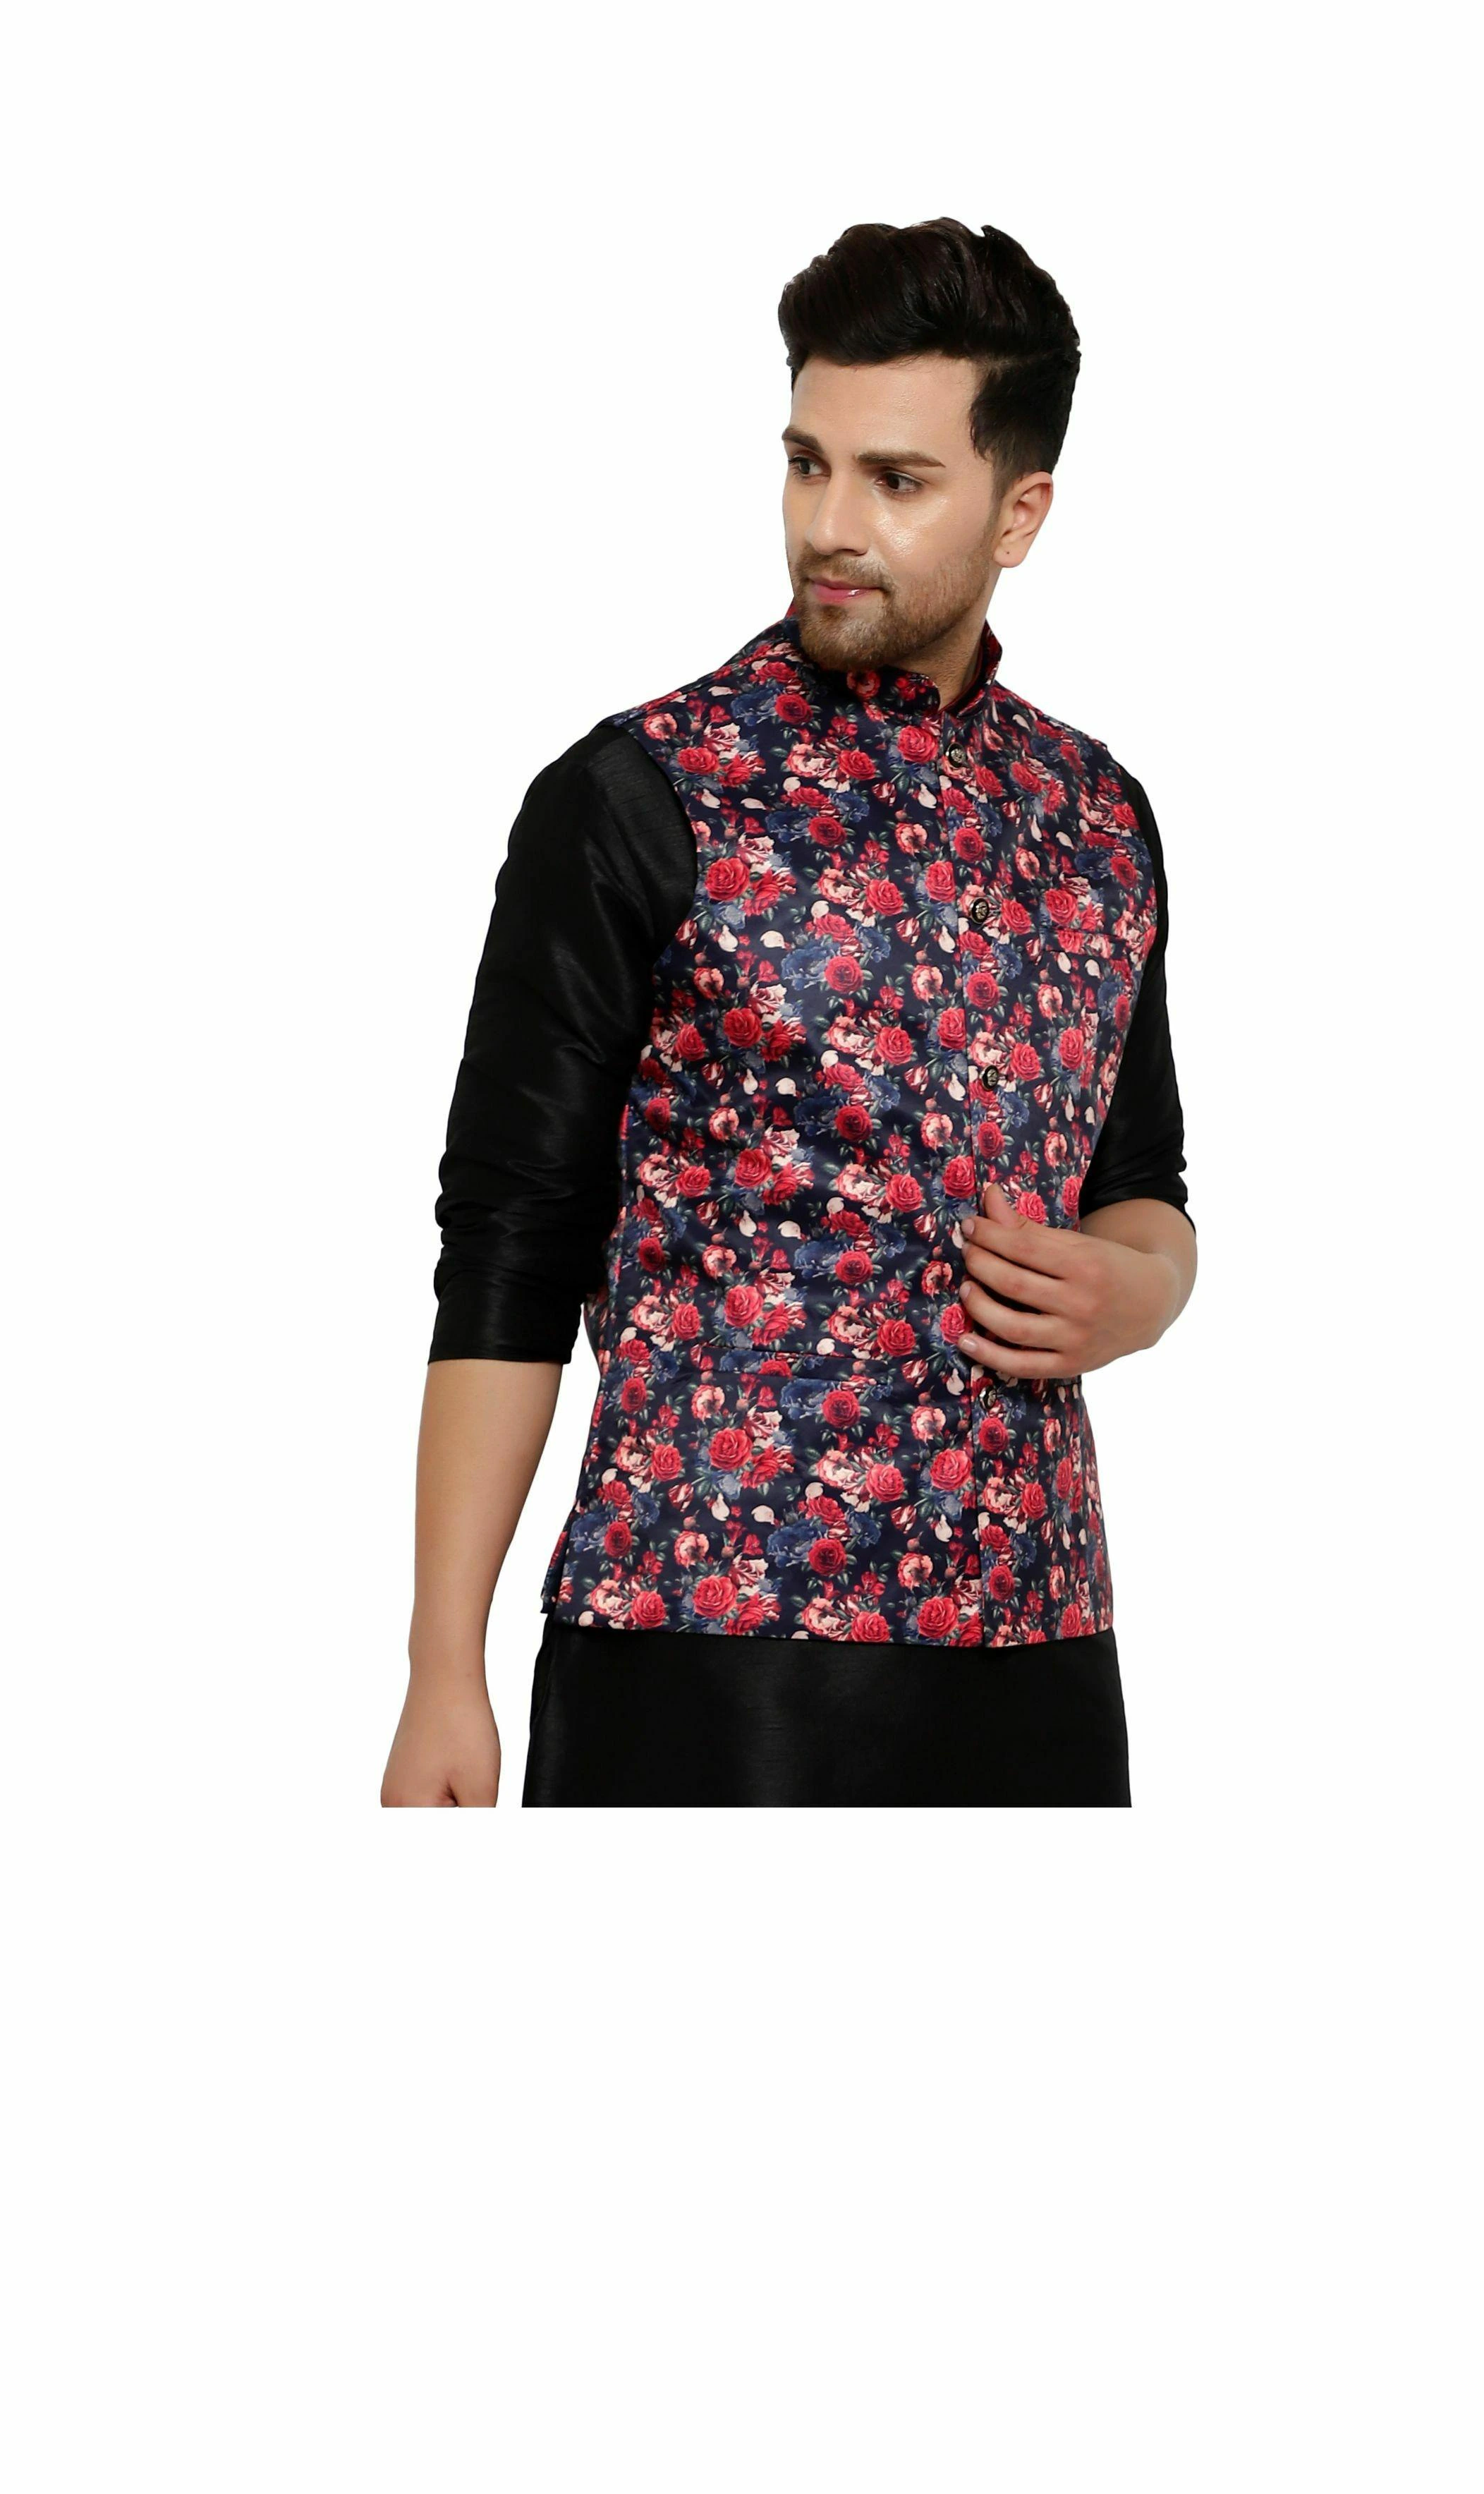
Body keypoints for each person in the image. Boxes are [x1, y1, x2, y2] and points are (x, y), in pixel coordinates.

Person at [379, 217, 1197, 1807]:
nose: (829, 523)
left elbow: (1141, 1176)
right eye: (806, 462)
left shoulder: (1096, 818)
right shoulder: (636, 798)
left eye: (896, 480)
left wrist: (1143, 1288)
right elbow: (507, 1248)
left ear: (1018, 510)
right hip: (704, 1649)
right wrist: (440, 1667)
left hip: (1039, 1647)